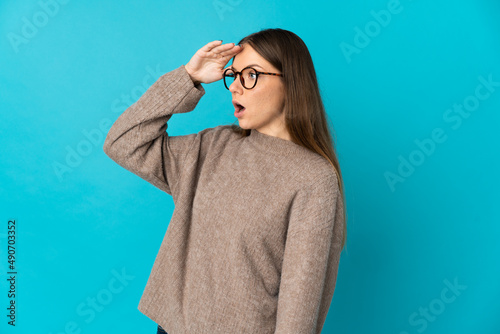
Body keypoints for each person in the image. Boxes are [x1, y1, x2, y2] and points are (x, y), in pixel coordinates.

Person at [103, 28, 347, 334]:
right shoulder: (213, 146)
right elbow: (123, 143)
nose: (235, 87)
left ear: (290, 83)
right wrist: (187, 78)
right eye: (233, 75)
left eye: (252, 75)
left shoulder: (313, 179)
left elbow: (300, 303)